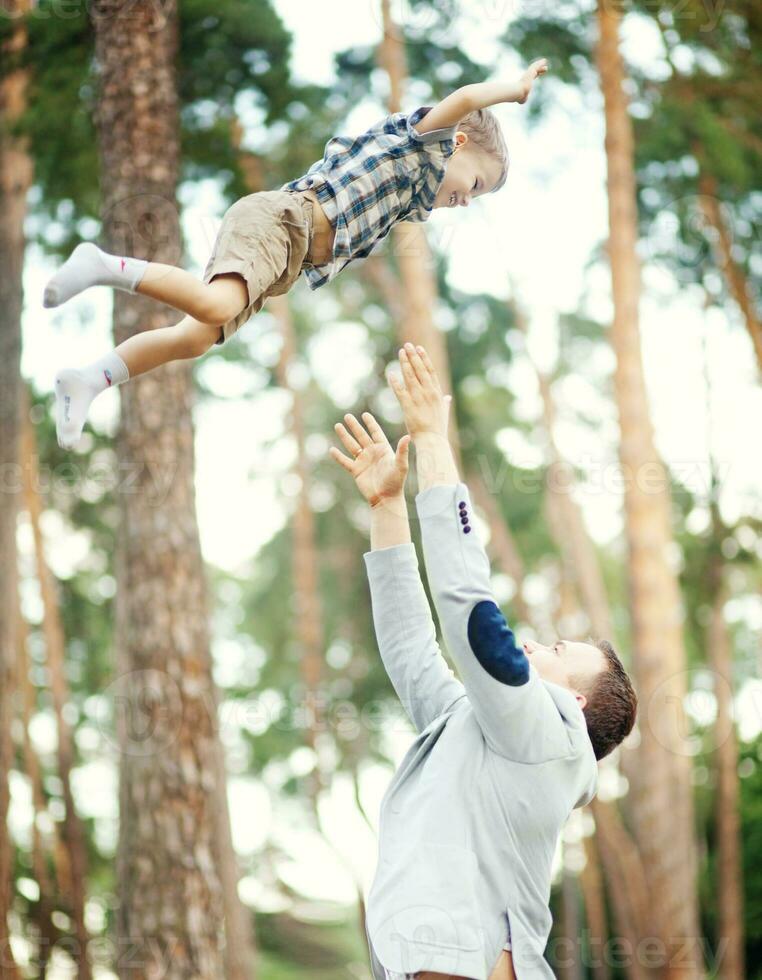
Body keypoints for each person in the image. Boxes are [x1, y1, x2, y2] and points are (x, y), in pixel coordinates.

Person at [329, 343, 638, 980]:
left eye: (557, 653)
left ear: (575, 703)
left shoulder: (549, 736)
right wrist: (387, 510)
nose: (535, 645)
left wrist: (432, 446)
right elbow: (413, 649)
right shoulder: (479, 730)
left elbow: (473, 617)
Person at [43, 60, 548, 449]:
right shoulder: (423, 143)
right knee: (216, 307)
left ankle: (89, 378)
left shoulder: (418, 199)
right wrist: (514, 91)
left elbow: (423, 201)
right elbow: (465, 98)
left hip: (287, 259)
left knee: (193, 339)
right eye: (473, 184)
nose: (464, 199)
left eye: (474, 200)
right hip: (283, 219)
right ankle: (103, 265)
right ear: (457, 143)